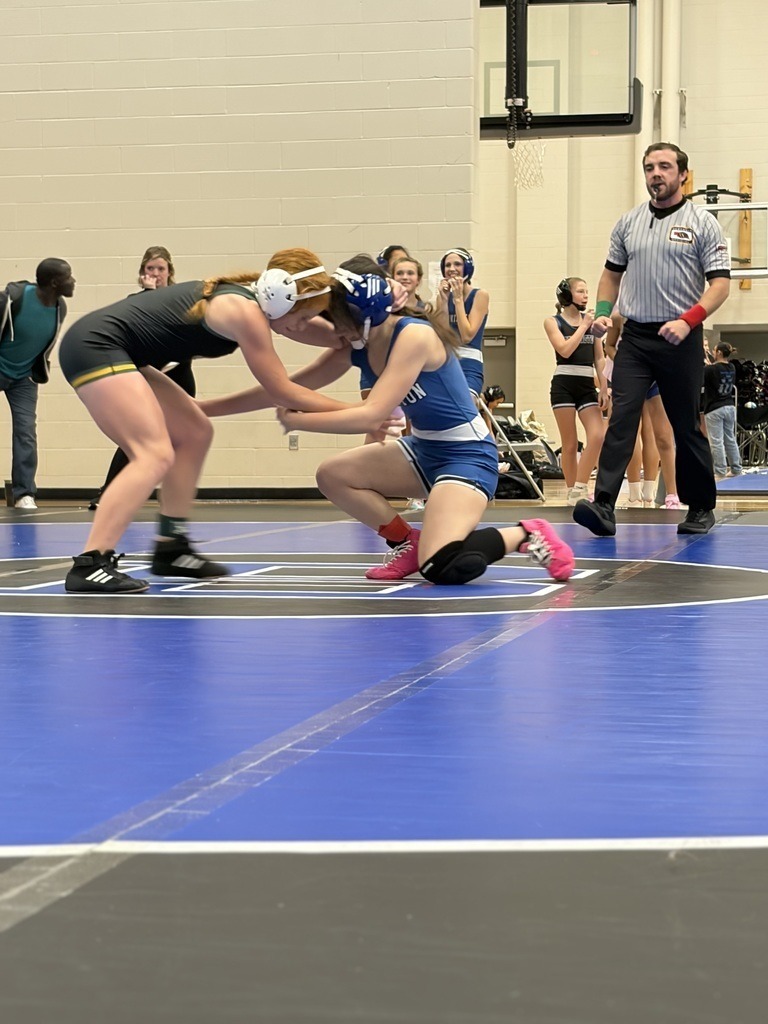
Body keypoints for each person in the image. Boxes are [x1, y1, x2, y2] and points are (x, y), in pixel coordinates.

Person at [58, 248, 350, 595]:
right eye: (303, 317)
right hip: (96, 345)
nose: (303, 326)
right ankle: (91, 562)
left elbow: (335, 337)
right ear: (280, 296)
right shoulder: (244, 312)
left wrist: (369, 327)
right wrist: (360, 414)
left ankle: (172, 547)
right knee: (153, 453)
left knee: (195, 430)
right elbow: (282, 390)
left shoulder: (265, 305)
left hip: (120, 351)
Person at [275, 256, 574, 586]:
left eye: (339, 319)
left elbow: (372, 414)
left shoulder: (412, 335)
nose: (335, 330)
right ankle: (407, 542)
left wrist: (300, 421)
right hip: (423, 449)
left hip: (467, 455)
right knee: (332, 475)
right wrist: (257, 316)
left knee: (441, 566)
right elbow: (287, 366)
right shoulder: (361, 345)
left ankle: (525, 534)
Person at [572, 142, 731, 537]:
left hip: (681, 335)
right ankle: (604, 504)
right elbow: (610, 276)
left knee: (684, 424)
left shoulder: (703, 223)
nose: (655, 174)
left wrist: (688, 320)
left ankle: (700, 508)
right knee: (622, 416)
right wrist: (606, 311)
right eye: (649, 168)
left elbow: (721, 285)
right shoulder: (627, 223)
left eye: (664, 167)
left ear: (683, 175)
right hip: (637, 338)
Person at [89, 246, 196, 509]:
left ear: (170, 272)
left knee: (177, 443)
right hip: (147, 383)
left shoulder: (181, 301)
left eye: (161, 269)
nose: (156, 273)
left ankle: (172, 497)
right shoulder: (134, 301)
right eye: (151, 269)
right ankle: (109, 493)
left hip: (178, 381)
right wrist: (148, 294)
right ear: (142, 273)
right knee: (134, 439)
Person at [0, 258, 75, 509]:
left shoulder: (59, 307)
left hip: (24, 378)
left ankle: (23, 494)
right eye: (69, 277)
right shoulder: (13, 300)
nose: (73, 281)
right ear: (54, 282)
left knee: (26, 433)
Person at [544, 277, 606, 505]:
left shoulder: (592, 323)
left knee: (598, 435)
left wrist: (604, 386)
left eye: (587, 291)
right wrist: (583, 326)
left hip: (587, 385)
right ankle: (573, 492)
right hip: (563, 385)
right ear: (567, 295)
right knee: (569, 444)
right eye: (581, 291)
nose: (586, 295)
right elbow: (565, 349)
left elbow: (599, 357)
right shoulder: (553, 322)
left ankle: (580, 485)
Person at [434, 248, 489, 401]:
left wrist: (458, 300)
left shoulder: (480, 295)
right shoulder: (443, 298)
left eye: (457, 264)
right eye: (448, 265)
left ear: (467, 267)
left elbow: (467, 335)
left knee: (467, 403)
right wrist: (444, 301)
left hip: (470, 364)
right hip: (447, 362)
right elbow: (443, 336)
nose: (452, 269)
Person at [703, 341, 742, 480]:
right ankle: (736, 468)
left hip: (715, 408)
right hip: (729, 406)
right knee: (730, 438)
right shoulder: (732, 367)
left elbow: (702, 379)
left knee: (716, 441)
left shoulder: (710, 370)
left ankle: (719, 470)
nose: (712, 351)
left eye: (713, 350)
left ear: (718, 352)